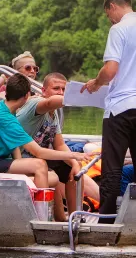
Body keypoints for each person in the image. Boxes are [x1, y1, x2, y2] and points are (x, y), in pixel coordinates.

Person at [81, 0, 136, 217]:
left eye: (108, 14)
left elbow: (110, 69)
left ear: (112, 6)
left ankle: (106, 221)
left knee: (112, 168)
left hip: (121, 108)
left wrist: (96, 83)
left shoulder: (118, 30)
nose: (110, 18)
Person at [0, 73, 91, 190]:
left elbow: (14, 145)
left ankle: (41, 207)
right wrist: (74, 155)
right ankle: (39, 211)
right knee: (40, 165)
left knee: (48, 173)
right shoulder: (6, 119)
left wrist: (21, 163)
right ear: (27, 95)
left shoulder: (2, 106)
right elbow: (39, 152)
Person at [15, 72, 93, 221]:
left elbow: (59, 144)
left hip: (39, 157)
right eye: (56, 88)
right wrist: (80, 97)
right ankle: (51, 219)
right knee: (51, 172)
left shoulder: (54, 114)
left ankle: (74, 218)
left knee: (74, 170)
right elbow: (50, 102)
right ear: (43, 91)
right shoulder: (36, 103)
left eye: (64, 90)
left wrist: (74, 162)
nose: (61, 92)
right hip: (20, 158)